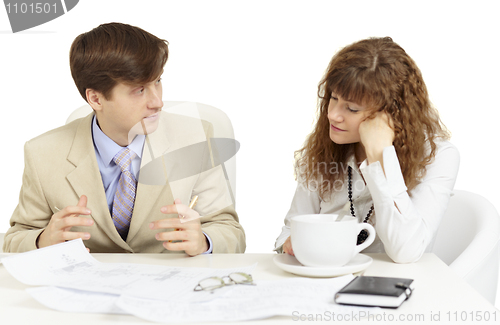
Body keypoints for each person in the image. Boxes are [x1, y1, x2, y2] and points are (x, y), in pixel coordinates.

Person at [3, 22, 245, 255]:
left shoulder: (196, 137)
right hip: (86, 288)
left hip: (170, 286)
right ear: (96, 99)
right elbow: (15, 239)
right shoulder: (42, 153)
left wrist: (204, 241)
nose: (157, 102)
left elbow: (230, 231)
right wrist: (42, 240)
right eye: (139, 90)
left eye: (158, 81)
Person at [275, 37, 459, 263]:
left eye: (351, 108)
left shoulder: (438, 156)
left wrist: (380, 156)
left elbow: (406, 252)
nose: (332, 114)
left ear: (391, 114)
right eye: (333, 98)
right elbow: (288, 232)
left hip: (398, 289)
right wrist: (292, 244)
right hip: (323, 281)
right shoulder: (324, 149)